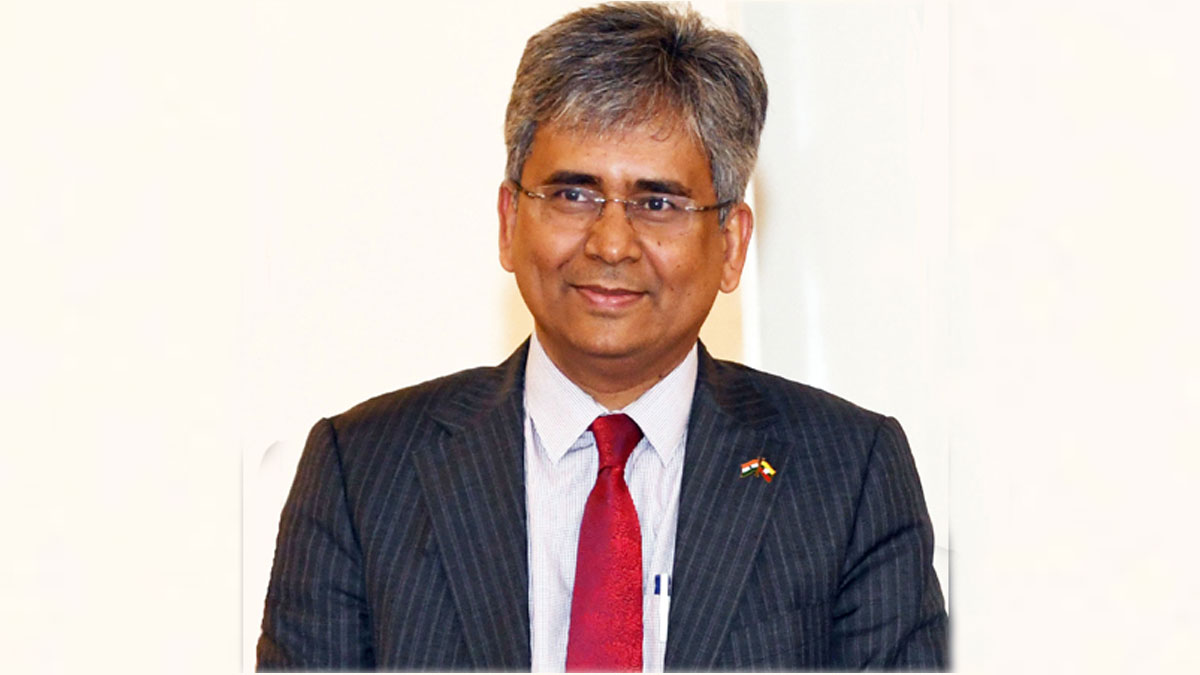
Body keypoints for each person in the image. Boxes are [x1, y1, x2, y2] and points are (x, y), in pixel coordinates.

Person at [257, 2, 947, 671]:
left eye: (657, 202)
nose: (612, 243)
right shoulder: (363, 473)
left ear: (732, 244)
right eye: (573, 195)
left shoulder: (848, 475)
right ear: (508, 220)